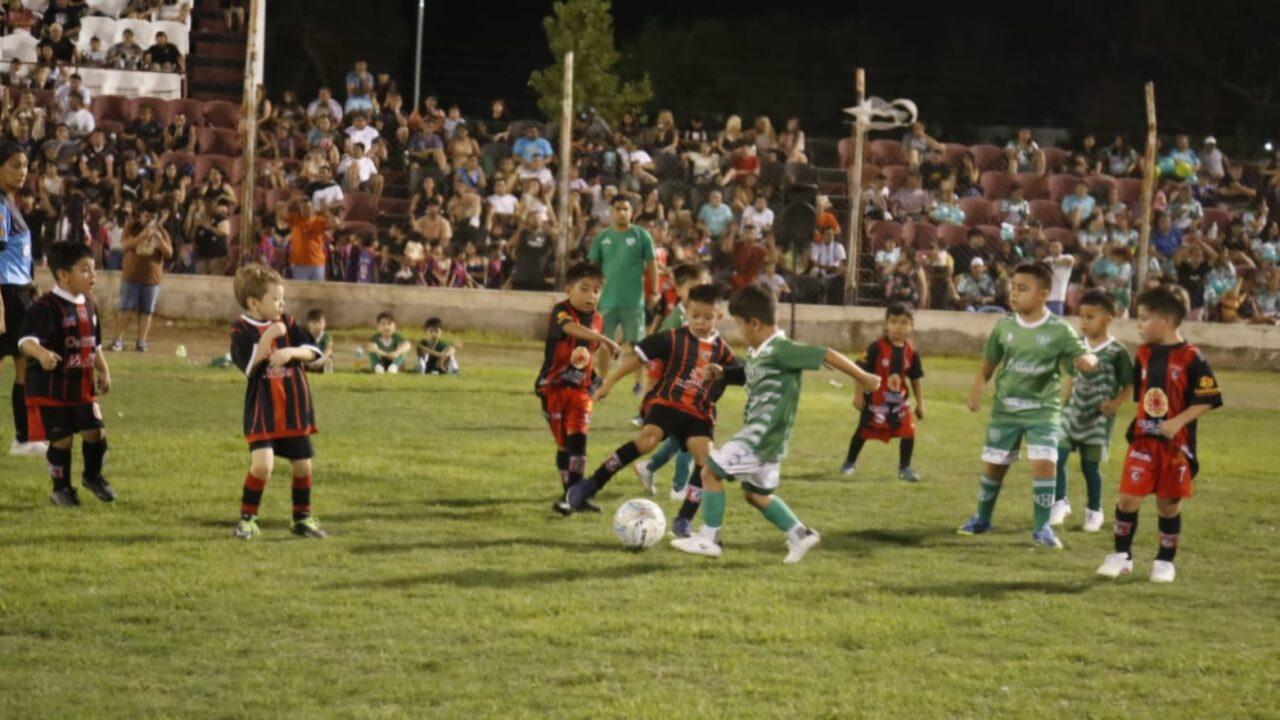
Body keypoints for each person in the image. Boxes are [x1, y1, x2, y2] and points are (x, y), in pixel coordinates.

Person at [671, 285, 881, 563]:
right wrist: (724, 374)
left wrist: (863, 378)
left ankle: (709, 539)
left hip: (762, 434)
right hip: (766, 436)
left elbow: (825, 353)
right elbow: (751, 373)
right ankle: (800, 534)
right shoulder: (760, 351)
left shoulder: (781, 349)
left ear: (755, 324)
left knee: (710, 471)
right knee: (755, 494)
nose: (739, 331)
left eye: (740, 324)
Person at [557, 283, 742, 526]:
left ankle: (683, 521)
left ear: (719, 316)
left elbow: (743, 374)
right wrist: (608, 383)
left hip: (698, 413)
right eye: (695, 316)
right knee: (647, 440)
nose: (700, 322)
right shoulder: (672, 338)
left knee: (705, 460)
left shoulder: (723, 351)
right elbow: (636, 360)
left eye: (708, 317)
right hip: (667, 404)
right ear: (686, 311)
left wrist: (723, 371)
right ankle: (590, 485)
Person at [957, 262, 1097, 549]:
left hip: (1042, 411)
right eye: (1013, 287)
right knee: (995, 466)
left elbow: (1087, 355)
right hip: (1006, 410)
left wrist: (1089, 362)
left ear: (1043, 294)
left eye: (1023, 288)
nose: (1015, 293)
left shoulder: (1058, 330)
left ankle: (1042, 527)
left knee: (1044, 464)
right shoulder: (1005, 326)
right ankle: (982, 519)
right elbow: (990, 361)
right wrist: (977, 387)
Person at [1096, 285, 1223, 583]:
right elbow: (1143, 397)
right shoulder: (1143, 354)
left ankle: (1165, 561)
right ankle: (1121, 555)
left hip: (1176, 446)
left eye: (1143, 318)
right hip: (1144, 441)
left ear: (1165, 320)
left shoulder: (1192, 358)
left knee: (1168, 504)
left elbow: (1208, 398)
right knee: (1128, 498)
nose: (1138, 325)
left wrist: (1178, 421)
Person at [17, 242, 115, 506]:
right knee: (62, 440)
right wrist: (42, 354)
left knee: (96, 432)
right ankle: (61, 488)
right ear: (62, 275)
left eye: (93, 270)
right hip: (52, 388)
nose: (93, 276)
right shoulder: (45, 307)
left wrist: (104, 370)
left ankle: (93, 476)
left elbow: (93, 346)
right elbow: (25, 341)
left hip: (82, 388)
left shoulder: (91, 307)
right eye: (85, 270)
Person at [229, 274, 325, 539]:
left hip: (293, 406)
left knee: (303, 466)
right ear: (254, 303)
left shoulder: (290, 323)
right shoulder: (241, 329)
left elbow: (314, 354)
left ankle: (302, 518)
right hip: (263, 410)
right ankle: (247, 519)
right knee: (262, 467)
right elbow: (249, 367)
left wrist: (291, 353)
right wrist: (269, 335)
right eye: (276, 299)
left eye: (283, 298)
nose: (282, 304)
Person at [534, 261, 620, 504]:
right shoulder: (561, 311)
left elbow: (591, 353)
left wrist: (599, 381)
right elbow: (571, 329)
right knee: (564, 447)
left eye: (595, 290)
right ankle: (569, 493)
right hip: (553, 388)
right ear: (568, 289)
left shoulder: (598, 320)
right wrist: (605, 339)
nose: (591, 295)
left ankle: (574, 497)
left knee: (579, 444)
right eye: (584, 288)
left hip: (581, 391)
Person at [1052, 290, 1134, 534]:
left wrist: (1115, 403)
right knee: (1057, 455)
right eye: (1082, 317)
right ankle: (1060, 502)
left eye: (1090, 317)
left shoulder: (1117, 352)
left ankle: (1094, 511)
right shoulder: (1076, 346)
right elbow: (1070, 377)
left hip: (1097, 419)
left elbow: (1129, 384)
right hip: (1072, 414)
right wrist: (1061, 404)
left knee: (1090, 467)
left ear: (1109, 318)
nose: (1084, 322)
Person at [633, 263, 710, 503]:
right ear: (679, 290)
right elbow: (658, 356)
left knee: (680, 437)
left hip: (689, 386)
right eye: (692, 287)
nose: (699, 291)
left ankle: (650, 467)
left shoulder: (696, 317)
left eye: (702, 286)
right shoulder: (677, 319)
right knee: (689, 433)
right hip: (674, 389)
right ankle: (679, 487)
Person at [841, 303, 925, 482]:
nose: (898, 327)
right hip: (875, 402)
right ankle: (849, 463)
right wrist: (858, 394)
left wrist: (920, 403)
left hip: (899, 403)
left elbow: (916, 378)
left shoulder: (912, 352)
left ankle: (904, 468)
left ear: (911, 326)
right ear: (886, 324)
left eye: (904, 323)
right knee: (863, 431)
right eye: (894, 322)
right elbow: (860, 371)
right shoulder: (876, 347)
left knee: (909, 431)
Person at [0, 144, 47, 456]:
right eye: (15, 165)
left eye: (25, 166)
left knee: (24, 364)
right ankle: (24, 438)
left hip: (20, 291)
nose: (22, 172)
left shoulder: (10, 202)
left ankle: (25, 438)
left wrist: (31, 284)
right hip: (6, 294)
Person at [588, 195, 658, 385]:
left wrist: (654, 291)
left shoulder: (641, 236)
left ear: (632, 212)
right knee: (603, 342)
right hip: (607, 300)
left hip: (633, 300)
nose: (622, 213)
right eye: (618, 209)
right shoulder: (602, 237)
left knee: (637, 345)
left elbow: (652, 264)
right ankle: (601, 379)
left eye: (625, 209)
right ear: (611, 211)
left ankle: (638, 381)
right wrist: (591, 293)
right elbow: (593, 267)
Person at [110, 200, 173, 352]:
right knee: (125, 309)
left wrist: (160, 241)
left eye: (153, 217)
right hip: (131, 275)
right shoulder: (131, 228)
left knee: (147, 311)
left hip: (152, 278)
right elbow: (125, 245)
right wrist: (142, 236)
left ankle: (141, 341)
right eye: (147, 216)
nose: (150, 220)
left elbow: (169, 253)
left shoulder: (162, 231)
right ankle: (118, 340)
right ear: (140, 215)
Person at [1044, 240, 1074, 315]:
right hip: (1045, 297)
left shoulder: (1068, 257)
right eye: (1052, 246)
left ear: (1061, 248)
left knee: (1056, 323)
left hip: (1058, 298)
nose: (1054, 249)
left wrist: (1053, 262)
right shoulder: (1046, 260)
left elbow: (1070, 262)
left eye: (1056, 246)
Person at [304, 308, 333, 374]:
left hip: (322, 362)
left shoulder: (326, 336)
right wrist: (308, 363)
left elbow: (328, 351)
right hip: (308, 363)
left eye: (320, 323)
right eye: (314, 323)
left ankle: (328, 377)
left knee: (328, 361)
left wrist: (320, 362)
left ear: (324, 324)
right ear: (308, 324)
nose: (317, 326)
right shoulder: (305, 336)